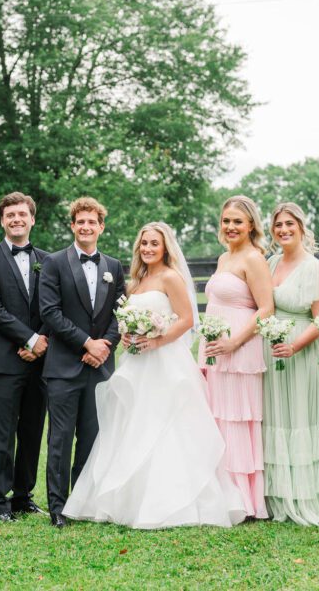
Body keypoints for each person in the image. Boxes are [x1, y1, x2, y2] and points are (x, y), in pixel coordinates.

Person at [64, 222, 246, 528]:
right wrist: (129, 335)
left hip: (165, 360)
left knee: (166, 423)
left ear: (165, 248)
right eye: (144, 243)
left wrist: (157, 339)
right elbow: (124, 319)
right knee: (133, 422)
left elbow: (187, 319)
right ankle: (126, 499)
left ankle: (171, 501)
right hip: (137, 362)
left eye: (154, 244)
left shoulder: (170, 277)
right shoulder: (136, 282)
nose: (148, 248)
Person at [38, 197, 126, 528]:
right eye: (80, 222)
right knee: (60, 439)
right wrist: (86, 343)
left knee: (91, 438)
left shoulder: (114, 266)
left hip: (100, 366)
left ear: (101, 227)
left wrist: (105, 345)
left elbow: (122, 313)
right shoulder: (54, 263)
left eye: (92, 222)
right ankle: (58, 508)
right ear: (73, 226)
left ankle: (82, 500)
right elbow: (50, 312)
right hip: (63, 366)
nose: (86, 227)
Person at [262, 202, 319, 526]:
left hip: (304, 353)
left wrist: (294, 345)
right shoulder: (269, 264)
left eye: (289, 225)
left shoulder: (315, 269)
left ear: (301, 227)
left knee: (302, 418)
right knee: (279, 418)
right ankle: (279, 497)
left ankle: (309, 497)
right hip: (274, 350)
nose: (283, 230)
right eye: (278, 225)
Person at [0, 192, 50, 521]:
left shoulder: (49, 259)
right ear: (2, 221)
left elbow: (53, 305)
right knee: (2, 430)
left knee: (33, 429)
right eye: (10, 215)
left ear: (32, 219)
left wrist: (41, 341)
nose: (16, 219)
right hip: (5, 358)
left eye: (22, 214)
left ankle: (23, 495)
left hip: (43, 359)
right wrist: (29, 338)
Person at [198, 195, 273, 519]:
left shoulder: (253, 258)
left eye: (237, 222)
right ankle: (221, 493)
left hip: (241, 350)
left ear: (251, 225)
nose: (230, 227)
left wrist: (234, 343)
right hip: (216, 351)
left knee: (238, 420)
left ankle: (245, 500)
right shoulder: (223, 258)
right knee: (218, 420)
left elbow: (266, 308)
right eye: (226, 221)